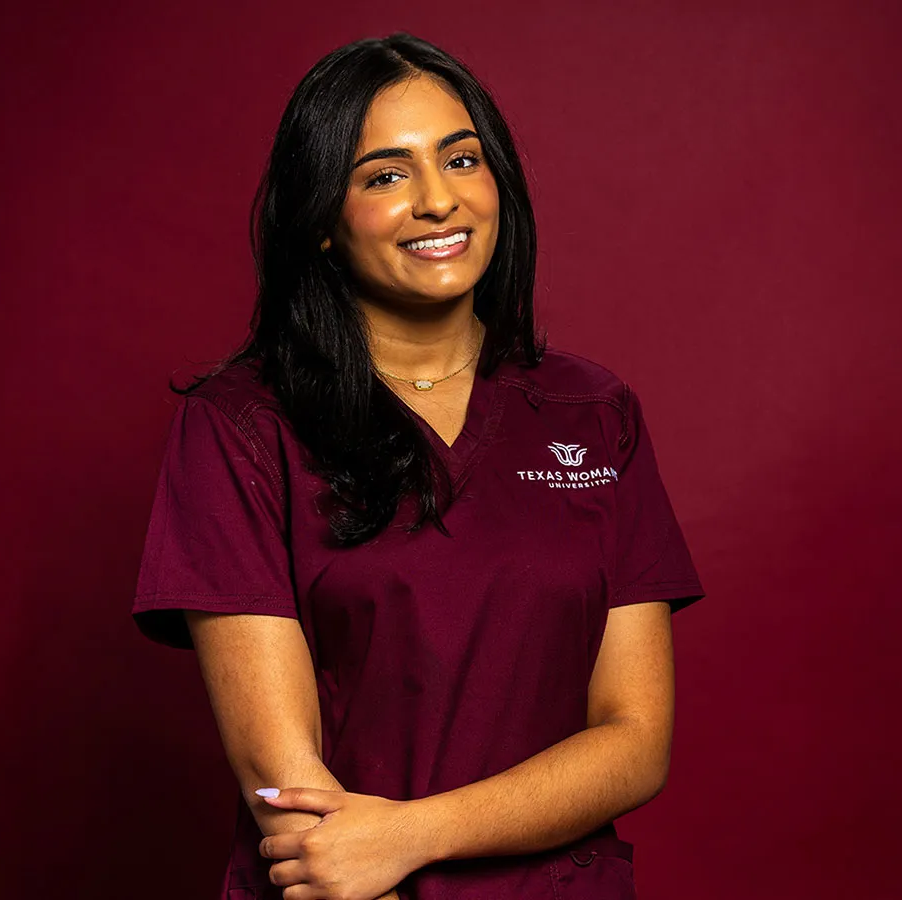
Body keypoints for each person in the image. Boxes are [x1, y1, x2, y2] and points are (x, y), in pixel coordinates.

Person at [130, 33, 705, 900]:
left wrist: (409, 835)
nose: (439, 201)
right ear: (324, 220)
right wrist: (375, 867)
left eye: (461, 159)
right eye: (386, 175)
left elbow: (633, 742)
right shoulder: (241, 426)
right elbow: (285, 782)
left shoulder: (595, 411)